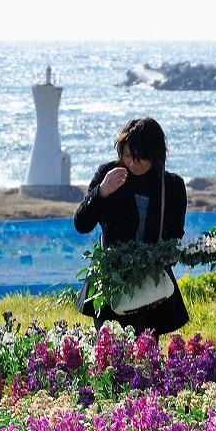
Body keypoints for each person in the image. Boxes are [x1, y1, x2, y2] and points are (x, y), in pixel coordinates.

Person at [73, 117, 189, 336]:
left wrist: (172, 255)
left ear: (156, 155)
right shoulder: (109, 174)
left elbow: (174, 237)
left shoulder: (172, 186)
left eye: (140, 157)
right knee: (109, 352)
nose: (133, 163)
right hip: (110, 280)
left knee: (145, 356)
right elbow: (81, 224)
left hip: (149, 284)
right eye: (127, 155)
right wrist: (102, 192)